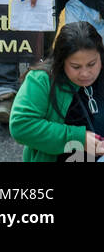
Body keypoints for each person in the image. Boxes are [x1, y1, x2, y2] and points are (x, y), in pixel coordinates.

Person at [9, 21, 104, 162]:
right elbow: (21, 126)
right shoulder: (42, 79)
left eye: (92, 64)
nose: (85, 73)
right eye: (75, 66)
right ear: (61, 61)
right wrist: (79, 139)